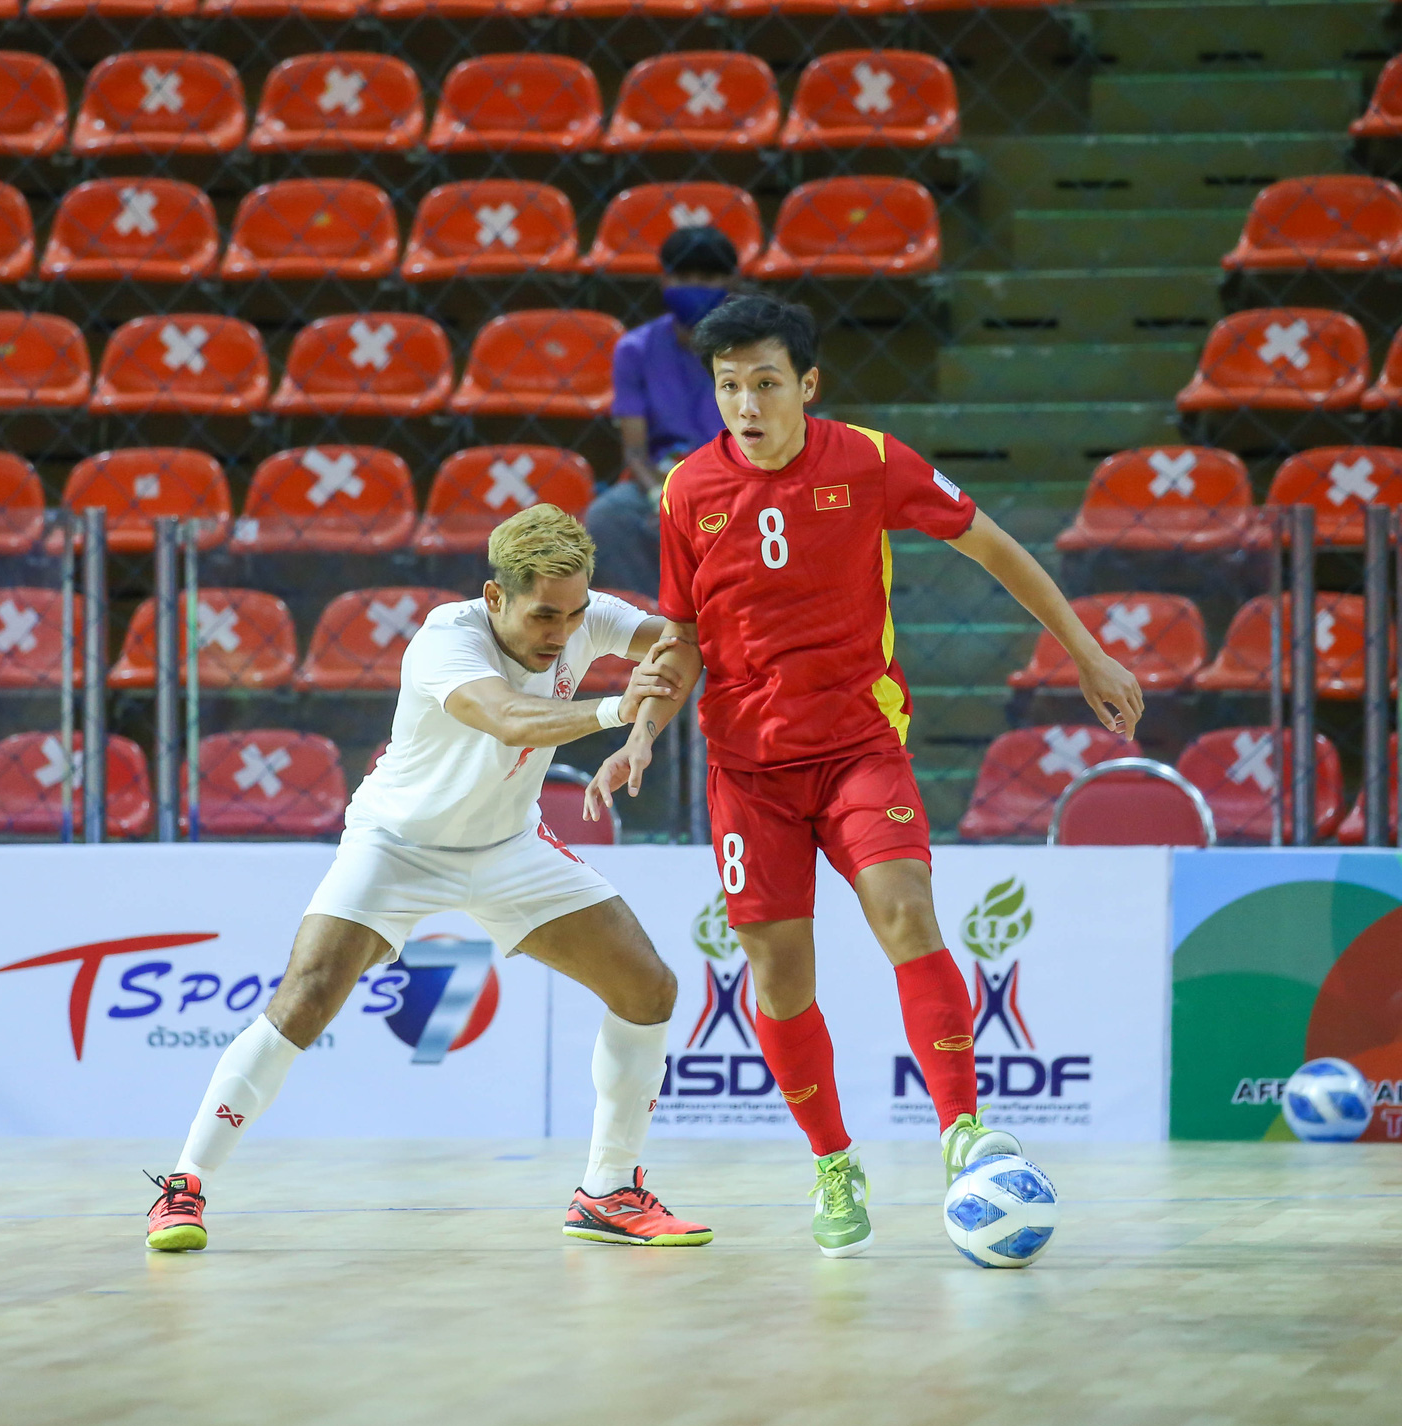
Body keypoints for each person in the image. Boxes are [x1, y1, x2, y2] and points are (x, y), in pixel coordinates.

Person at [587, 292, 1144, 1258]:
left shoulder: (871, 462)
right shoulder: (685, 492)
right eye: (729, 388)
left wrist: (1086, 652)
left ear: (808, 384)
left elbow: (993, 545)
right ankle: (832, 1159)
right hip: (747, 769)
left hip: (857, 746)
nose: (748, 406)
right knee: (778, 969)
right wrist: (640, 727)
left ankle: (962, 1130)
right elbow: (680, 635)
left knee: (905, 908)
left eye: (767, 383)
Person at [146, 506, 710, 1254]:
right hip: (397, 846)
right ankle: (186, 1185)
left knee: (649, 988)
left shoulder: (585, 617)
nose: (562, 632)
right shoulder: (447, 639)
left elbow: (686, 638)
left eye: (575, 614)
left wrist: (642, 733)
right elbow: (509, 717)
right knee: (306, 994)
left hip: (509, 845)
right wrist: (614, 707)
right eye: (545, 615)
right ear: (496, 596)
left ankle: (607, 1190)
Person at [584, 227, 742, 600]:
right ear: (664, 280)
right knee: (608, 517)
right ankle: (657, 618)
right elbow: (635, 452)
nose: (695, 286)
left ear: (731, 281)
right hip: (664, 478)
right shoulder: (635, 349)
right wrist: (661, 494)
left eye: (708, 278)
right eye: (683, 277)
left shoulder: (755, 347)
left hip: (741, 478)